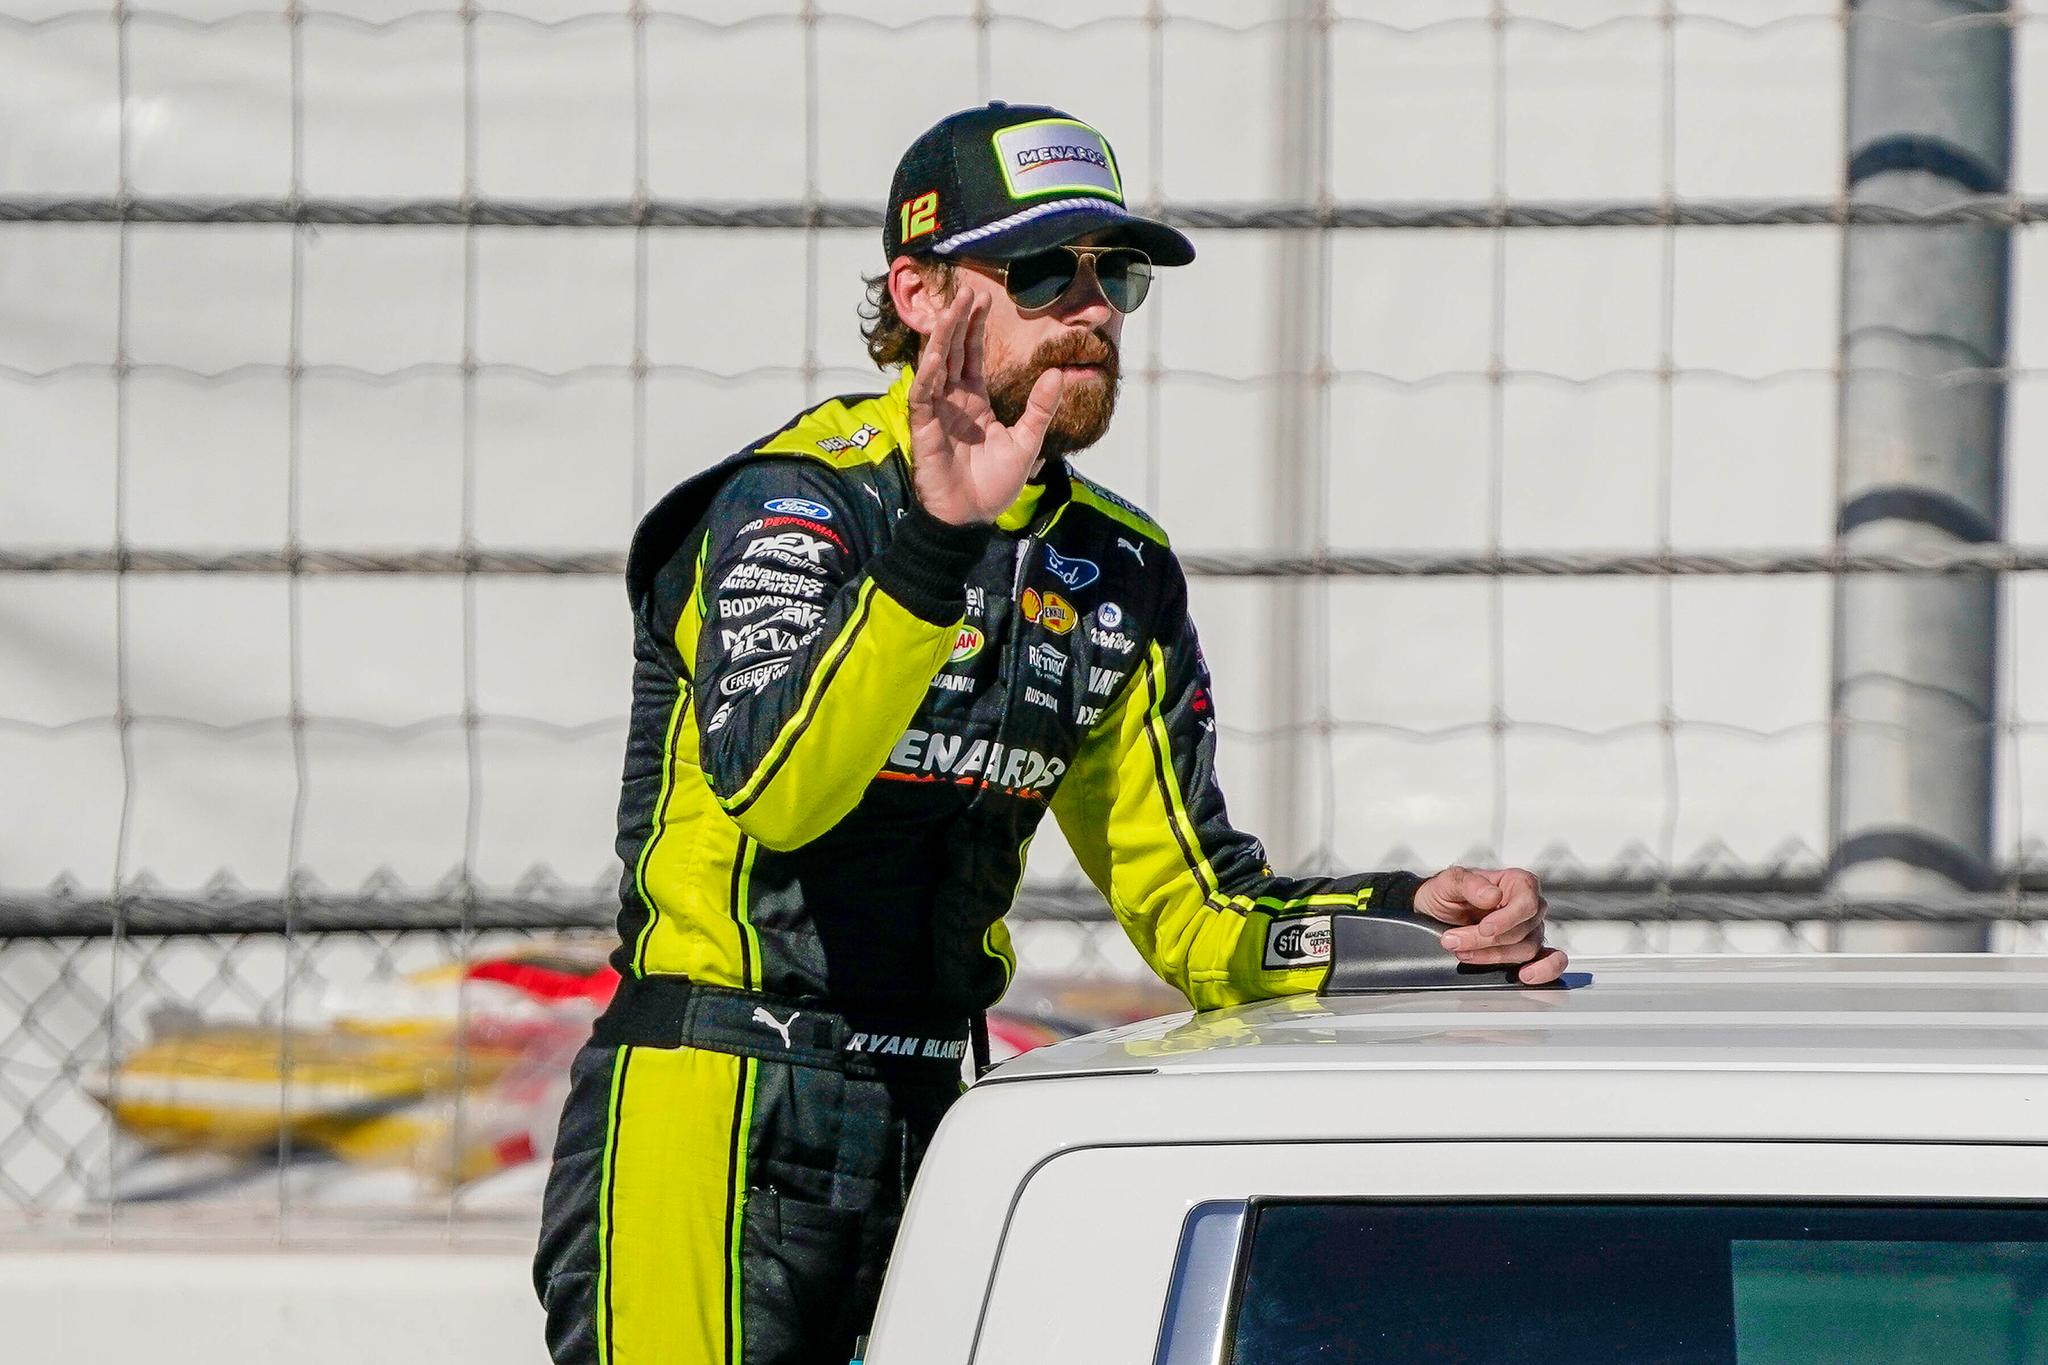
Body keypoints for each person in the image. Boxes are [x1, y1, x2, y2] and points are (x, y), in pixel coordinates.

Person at [533, 101, 1566, 1365]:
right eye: (1038, 272)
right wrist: (931, 548)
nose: (1090, 308)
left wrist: (1416, 928)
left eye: (1112, 273)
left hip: (940, 1117)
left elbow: (1195, 914)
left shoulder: (1109, 563)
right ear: (917, 294)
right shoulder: (792, 504)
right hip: (715, 1098)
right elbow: (779, 790)